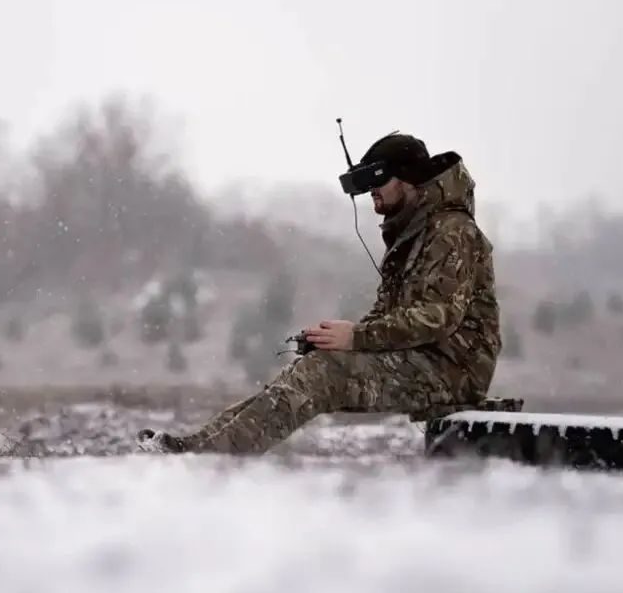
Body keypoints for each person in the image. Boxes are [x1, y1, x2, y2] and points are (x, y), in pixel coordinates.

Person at [136, 132, 502, 455]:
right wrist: (339, 340)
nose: (372, 193)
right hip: (422, 359)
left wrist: (356, 337)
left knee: (324, 372)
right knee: (311, 366)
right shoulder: (415, 233)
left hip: (452, 371)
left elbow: (437, 317)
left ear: (407, 180)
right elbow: (389, 312)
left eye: (379, 181)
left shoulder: (452, 232)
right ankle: (202, 446)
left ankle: (212, 458)